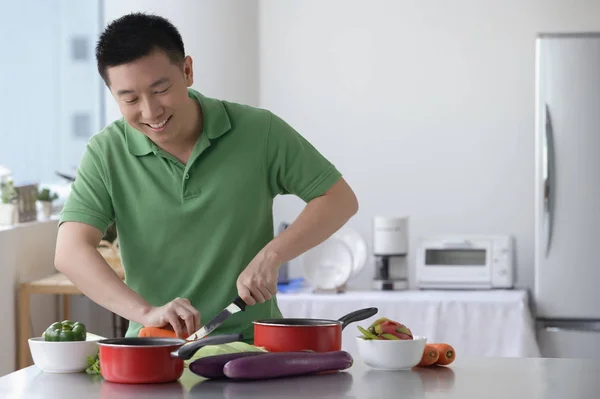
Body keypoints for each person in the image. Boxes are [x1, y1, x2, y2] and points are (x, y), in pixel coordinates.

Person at [54, 12, 358, 342]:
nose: (150, 111)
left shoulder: (259, 131)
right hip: (155, 348)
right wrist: (146, 314)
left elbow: (339, 198)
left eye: (160, 90)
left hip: (254, 346)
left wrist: (273, 255)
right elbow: (70, 252)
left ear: (187, 71)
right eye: (129, 99)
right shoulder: (106, 152)